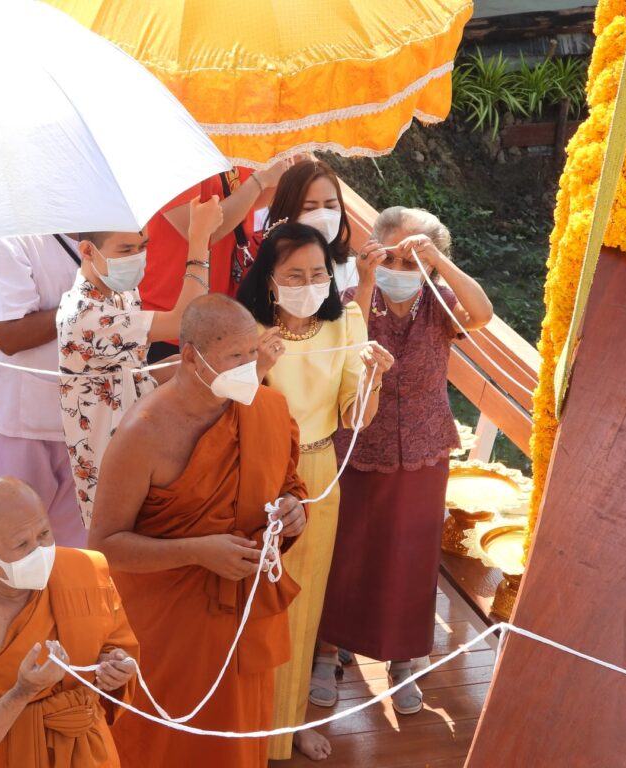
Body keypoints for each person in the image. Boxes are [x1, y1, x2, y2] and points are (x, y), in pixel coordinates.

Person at [89, 294, 308, 767]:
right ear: (191, 357)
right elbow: (105, 545)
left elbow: (288, 485)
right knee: (165, 741)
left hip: (245, 614)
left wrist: (295, 511)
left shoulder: (266, 409)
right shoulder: (143, 433)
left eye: (252, 353)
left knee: (237, 738)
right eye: (235, 356)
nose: (250, 367)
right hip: (171, 626)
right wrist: (197, 551)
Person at [320, 207, 493, 716]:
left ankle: (403, 661)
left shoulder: (438, 303)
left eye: (411, 261)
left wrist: (438, 260)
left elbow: (482, 313)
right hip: (358, 443)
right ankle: (327, 653)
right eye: (390, 257)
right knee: (346, 552)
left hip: (423, 448)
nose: (400, 268)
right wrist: (367, 279)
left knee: (411, 558)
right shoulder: (355, 299)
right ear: (372, 252)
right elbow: (347, 339)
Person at [236, 222, 393, 761]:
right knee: (248, 599)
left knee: (302, 604)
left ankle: (289, 722)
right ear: (269, 279)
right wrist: (256, 368)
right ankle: (242, 720)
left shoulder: (346, 322)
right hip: (255, 471)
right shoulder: (247, 328)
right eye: (294, 275)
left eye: (318, 273)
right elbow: (224, 410)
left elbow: (356, 416)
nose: (308, 284)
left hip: (319, 471)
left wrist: (372, 378)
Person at [0, 477, 139, 767]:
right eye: (21, 544)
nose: (39, 551)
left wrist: (115, 668)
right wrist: (22, 692)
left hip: (88, 751)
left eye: (44, 533)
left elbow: (117, 647)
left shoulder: (84, 570)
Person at [56, 196, 222, 525]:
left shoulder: (122, 293)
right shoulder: (84, 313)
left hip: (143, 440)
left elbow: (133, 371)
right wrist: (199, 240)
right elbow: (184, 321)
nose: (137, 257)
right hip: (111, 462)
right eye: (126, 250)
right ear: (87, 250)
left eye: (142, 246)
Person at [0, 235, 83, 546]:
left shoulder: (108, 235)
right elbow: (10, 336)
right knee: (12, 544)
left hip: (86, 419)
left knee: (75, 553)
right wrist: (84, 305)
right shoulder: (6, 243)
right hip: (21, 424)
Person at [140, 160, 295, 362]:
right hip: (169, 319)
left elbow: (249, 202)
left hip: (222, 317)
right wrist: (260, 180)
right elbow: (204, 230)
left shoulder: (234, 148)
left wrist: (282, 170)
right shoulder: (169, 158)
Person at [262, 159, 357, 290]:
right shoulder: (270, 277)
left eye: (330, 206)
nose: (323, 217)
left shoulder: (355, 272)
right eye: (310, 208)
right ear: (286, 211)